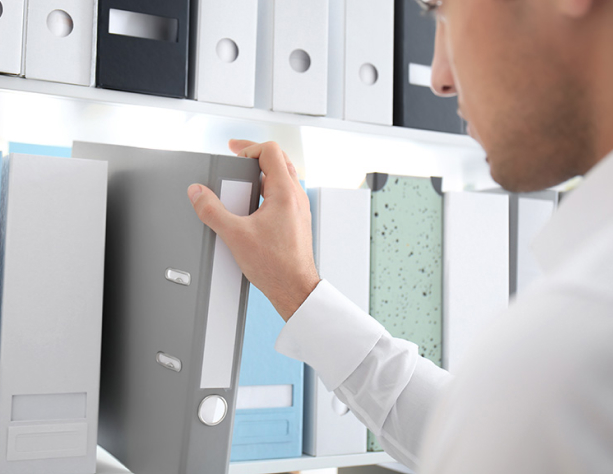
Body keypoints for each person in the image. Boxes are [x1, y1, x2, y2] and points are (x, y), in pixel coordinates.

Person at [185, 0, 613, 472]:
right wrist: (297, 289)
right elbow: (474, 432)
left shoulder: (580, 339)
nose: (438, 77)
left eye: (443, 12)